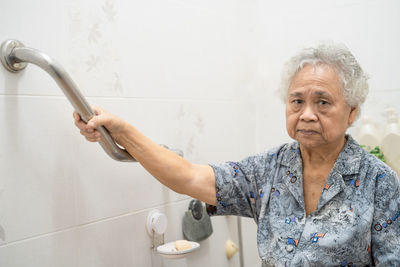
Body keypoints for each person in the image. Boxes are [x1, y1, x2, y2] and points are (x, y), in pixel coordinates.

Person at [74, 42, 400, 266]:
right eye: (297, 101)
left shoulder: (379, 181)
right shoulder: (268, 169)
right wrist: (122, 132)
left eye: (323, 102)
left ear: (352, 112)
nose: (307, 114)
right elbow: (189, 175)